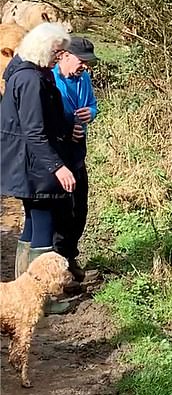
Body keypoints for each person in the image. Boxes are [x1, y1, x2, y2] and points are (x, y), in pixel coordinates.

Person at [0, 23, 81, 312]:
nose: (60, 59)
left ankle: (21, 294)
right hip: (34, 168)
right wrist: (58, 166)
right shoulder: (31, 80)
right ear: (45, 49)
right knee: (43, 230)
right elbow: (34, 131)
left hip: (24, 165)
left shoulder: (23, 72)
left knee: (32, 227)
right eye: (58, 52)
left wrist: (68, 126)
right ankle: (41, 301)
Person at [52, 37, 99, 284]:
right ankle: (58, 269)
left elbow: (93, 105)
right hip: (58, 151)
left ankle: (70, 258)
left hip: (78, 151)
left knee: (79, 210)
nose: (85, 67)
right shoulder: (51, 79)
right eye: (82, 61)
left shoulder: (84, 78)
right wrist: (69, 125)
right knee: (60, 212)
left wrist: (89, 114)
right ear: (65, 56)